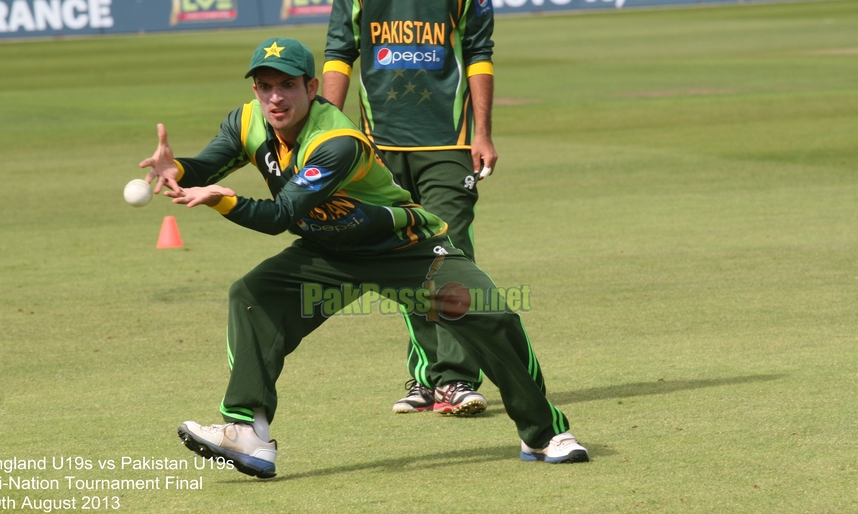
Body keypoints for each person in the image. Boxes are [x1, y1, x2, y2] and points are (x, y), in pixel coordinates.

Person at [139, 37, 587, 479]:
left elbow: (279, 216)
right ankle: (247, 431)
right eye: (264, 85)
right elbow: (207, 165)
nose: (275, 97)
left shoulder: (337, 142)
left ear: (311, 88)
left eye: (287, 85)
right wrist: (175, 168)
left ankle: (543, 433)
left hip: (403, 248)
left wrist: (223, 201)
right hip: (327, 252)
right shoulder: (247, 121)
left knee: (490, 311)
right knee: (254, 295)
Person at [323, 0, 496, 416]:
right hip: (379, 144)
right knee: (404, 260)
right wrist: (326, 135)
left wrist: (482, 133)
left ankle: (457, 379)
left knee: (449, 253)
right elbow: (339, 51)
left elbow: (479, 51)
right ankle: (426, 378)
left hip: (448, 140)